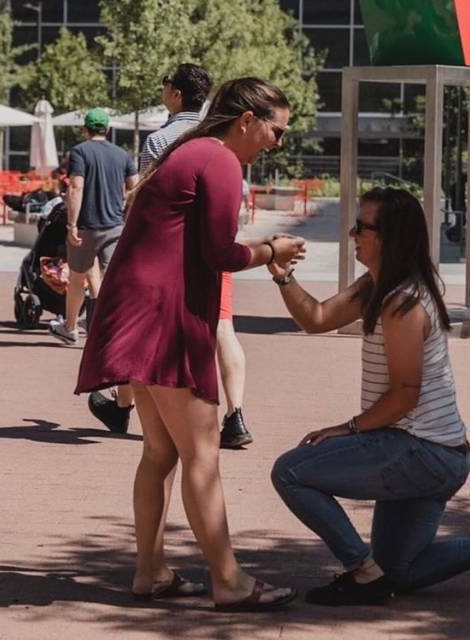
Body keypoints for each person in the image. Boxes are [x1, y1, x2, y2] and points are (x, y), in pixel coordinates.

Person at [75, 78, 305, 611]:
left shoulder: (191, 150)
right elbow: (218, 252)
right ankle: (229, 580)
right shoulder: (220, 159)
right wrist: (273, 250)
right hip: (165, 320)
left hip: (136, 311)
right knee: (201, 454)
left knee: (159, 452)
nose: (277, 143)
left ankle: (151, 572)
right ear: (247, 120)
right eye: (277, 131)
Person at [269, 187, 470, 606]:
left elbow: (404, 396)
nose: (352, 232)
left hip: (420, 449)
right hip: (435, 452)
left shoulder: (402, 302)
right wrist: (283, 275)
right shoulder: (380, 285)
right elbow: (317, 318)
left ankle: (362, 573)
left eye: (362, 226)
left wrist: (345, 430)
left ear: (389, 236)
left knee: (290, 472)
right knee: (398, 569)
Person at [137, 62, 252, 450]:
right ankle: (235, 414)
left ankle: (147, 412)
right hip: (219, 246)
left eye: (165, 84)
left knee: (154, 331)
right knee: (223, 328)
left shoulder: (159, 141)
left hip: (172, 256)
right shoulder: (225, 140)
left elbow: (144, 202)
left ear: (176, 94)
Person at [47, 109, 139, 431]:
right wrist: (124, 213)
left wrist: (71, 222)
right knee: (113, 284)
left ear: (86, 129)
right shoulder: (122, 154)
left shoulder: (80, 152)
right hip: (115, 226)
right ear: (108, 128)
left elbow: (75, 187)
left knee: (77, 277)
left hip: (86, 226)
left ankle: (71, 328)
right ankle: (105, 327)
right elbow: (135, 188)